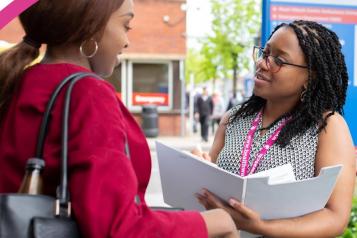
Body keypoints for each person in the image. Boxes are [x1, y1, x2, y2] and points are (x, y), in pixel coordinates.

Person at [0, 1, 239, 237]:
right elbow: (118, 228)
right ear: (91, 25)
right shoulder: (88, 93)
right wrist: (216, 222)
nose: (126, 41)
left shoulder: (18, 81)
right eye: (126, 25)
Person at [194, 20, 356, 237]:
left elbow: (335, 217)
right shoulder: (232, 119)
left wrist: (259, 227)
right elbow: (208, 191)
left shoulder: (327, 126)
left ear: (311, 75)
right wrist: (198, 169)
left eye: (279, 60)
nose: (262, 63)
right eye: (265, 53)